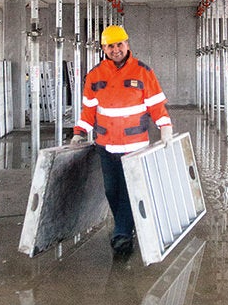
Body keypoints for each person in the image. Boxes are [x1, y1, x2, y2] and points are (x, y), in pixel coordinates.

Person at [72, 25, 172, 256]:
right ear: (104, 48)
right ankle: (125, 226)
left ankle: (122, 233)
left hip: (135, 146)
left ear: (127, 44)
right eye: (110, 46)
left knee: (128, 190)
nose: (115, 50)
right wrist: (79, 132)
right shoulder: (95, 75)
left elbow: (156, 106)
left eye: (119, 44)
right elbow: (89, 111)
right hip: (106, 145)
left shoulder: (143, 72)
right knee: (111, 189)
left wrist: (165, 127)